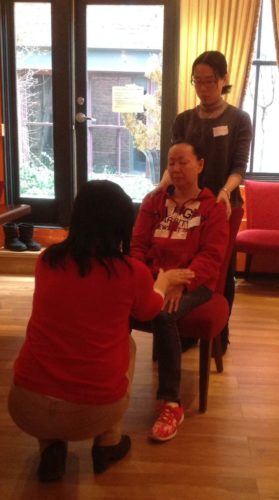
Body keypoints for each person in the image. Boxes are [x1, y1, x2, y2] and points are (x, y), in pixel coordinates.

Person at [7, 180, 187, 482]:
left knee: (54, 346)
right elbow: (149, 310)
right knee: (127, 346)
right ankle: (107, 443)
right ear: (121, 224)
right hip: (92, 413)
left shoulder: (46, 261)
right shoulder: (131, 272)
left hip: (25, 406)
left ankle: (50, 447)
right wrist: (164, 281)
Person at [131, 141, 229, 442]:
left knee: (163, 314)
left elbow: (212, 257)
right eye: (171, 163)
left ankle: (171, 403)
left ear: (199, 165)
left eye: (182, 162)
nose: (175, 169)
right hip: (155, 277)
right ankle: (107, 383)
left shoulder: (212, 208)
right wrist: (155, 279)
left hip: (195, 283)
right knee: (114, 305)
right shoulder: (154, 203)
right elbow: (137, 247)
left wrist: (180, 281)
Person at [158, 50, 252, 353]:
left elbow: (239, 166)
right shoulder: (184, 119)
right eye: (197, 81)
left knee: (220, 270)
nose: (202, 88)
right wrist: (160, 187)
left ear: (223, 79)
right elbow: (174, 163)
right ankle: (184, 332)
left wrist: (224, 192)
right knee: (184, 262)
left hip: (223, 206)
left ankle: (217, 337)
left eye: (209, 81)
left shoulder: (239, 119)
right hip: (187, 202)